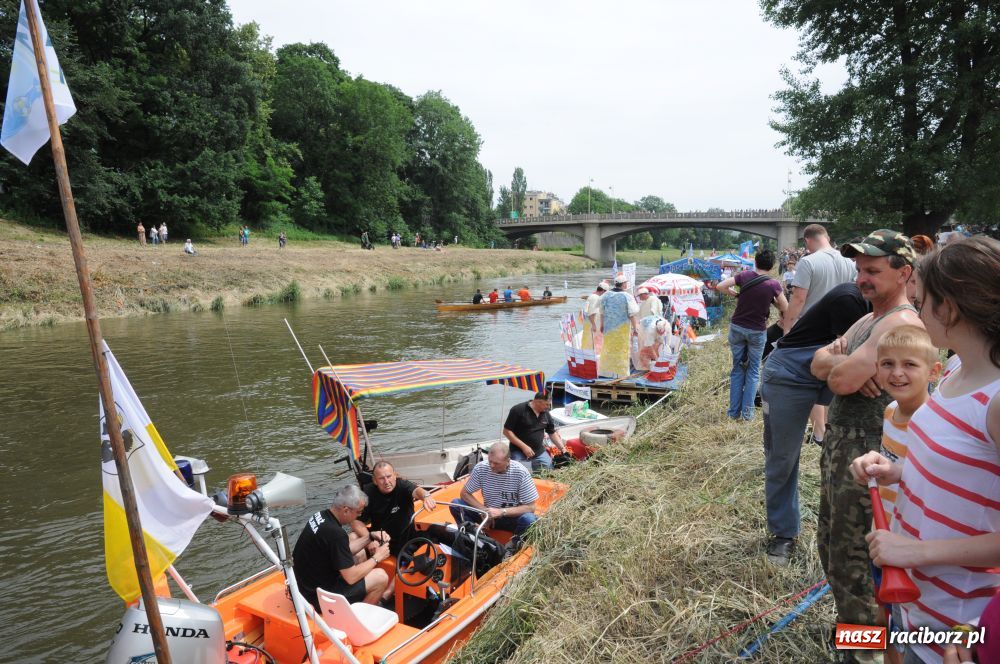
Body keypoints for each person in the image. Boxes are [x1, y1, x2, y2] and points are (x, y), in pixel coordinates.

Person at [849, 236, 1000, 664]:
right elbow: (961, 471)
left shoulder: (996, 400)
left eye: (922, 301)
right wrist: (896, 471)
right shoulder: (954, 371)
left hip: (962, 629)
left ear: (948, 308)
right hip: (917, 601)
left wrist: (917, 553)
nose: (915, 311)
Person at [809, 230, 921, 641]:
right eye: (859, 269)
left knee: (855, 553)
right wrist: (838, 360)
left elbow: (837, 381)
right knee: (832, 542)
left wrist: (842, 364)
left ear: (903, 273)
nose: (861, 278)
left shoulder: (901, 322)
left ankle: (868, 646)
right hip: (843, 443)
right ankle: (853, 632)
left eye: (872, 270)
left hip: (868, 449)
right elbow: (819, 365)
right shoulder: (870, 318)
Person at [760, 282, 871, 565]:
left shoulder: (897, 313)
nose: (864, 277)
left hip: (826, 372)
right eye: (862, 269)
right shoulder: (851, 299)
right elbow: (843, 358)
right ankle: (783, 534)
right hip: (790, 374)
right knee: (782, 457)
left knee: (851, 449)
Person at [783, 224, 857, 447]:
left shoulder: (808, 262)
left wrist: (788, 328)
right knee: (832, 381)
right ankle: (829, 427)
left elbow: (798, 299)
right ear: (827, 237)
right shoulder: (849, 262)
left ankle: (819, 433)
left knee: (813, 383)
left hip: (813, 331)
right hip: (843, 331)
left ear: (807, 241)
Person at [292, 484, 393, 610]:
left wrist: (370, 537)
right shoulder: (336, 534)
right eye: (358, 512)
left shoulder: (320, 516)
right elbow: (351, 578)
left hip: (302, 588)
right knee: (381, 577)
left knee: (357, 546)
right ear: (346, 510)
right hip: (318, 597)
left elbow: (341, 550)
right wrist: (377, 557)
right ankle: (358, 619)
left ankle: (359, 598)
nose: (359, 516)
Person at [716, 250, 787, 421]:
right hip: (757, 331)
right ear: (771, 266)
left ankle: (733, 413)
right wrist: (773, 302)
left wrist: (734, 294)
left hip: (737, 327)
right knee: (754, 372)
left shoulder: (745, 276)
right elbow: (785, 307)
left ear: (755, 262)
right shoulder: (773, 284)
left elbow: (720, 286)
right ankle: (747, 415)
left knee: (737, 369)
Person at [449, 441, 538, 550]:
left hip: (511, 518)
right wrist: (484, 511)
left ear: (508, 461)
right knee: (455, 504)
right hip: (488, 516)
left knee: (529, 519)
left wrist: (501, 512)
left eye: (496, 463)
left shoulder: (520, 473)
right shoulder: (481, 468)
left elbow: (531, 507)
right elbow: (464, 493)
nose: (491, 465)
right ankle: (474, 538)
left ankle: (513, 545)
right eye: (490, 461)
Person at [357, 461, 436, 556]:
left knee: (439, 533)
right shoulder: (368, 493)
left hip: (408, 537)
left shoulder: (402, 485)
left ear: (395, 475)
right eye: (381, 478)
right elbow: (356, 521)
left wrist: (426, 496)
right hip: (382, 541)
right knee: (353, 537)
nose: (386, 482)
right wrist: (369, 540)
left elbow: (417, 490)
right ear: (374, 480)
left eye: (389, 476)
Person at [502, 391, 566, 471]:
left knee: (550, 470)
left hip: (539, 451)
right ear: (537, 402)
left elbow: (551, 432)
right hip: (519, 451)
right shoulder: (518, 410)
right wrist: (524, 447)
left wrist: (562, 449)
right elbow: (506, 431)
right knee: (520, 472)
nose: (549, 407)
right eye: (546, 404)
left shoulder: (546, 413)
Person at [599, 274, 640, 379]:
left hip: (609, 327)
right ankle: (621, 373)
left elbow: (602, 312)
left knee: (608, 348)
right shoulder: (627, 296)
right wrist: (635, 328)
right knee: (621, 349)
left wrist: (602, 324)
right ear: (623, 284)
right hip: (622, 328)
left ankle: (606, 372)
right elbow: (632, 313)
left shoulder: (606, 295)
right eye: (626, 283)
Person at [582, 281, 609, 351]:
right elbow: (590, 313)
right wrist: (594, 325)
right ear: (603, 291)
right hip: (593, 324)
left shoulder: (592, 296)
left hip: (590, 323)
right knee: (592, 342)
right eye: (605, 292)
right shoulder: (595, 298)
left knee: (589, 342)